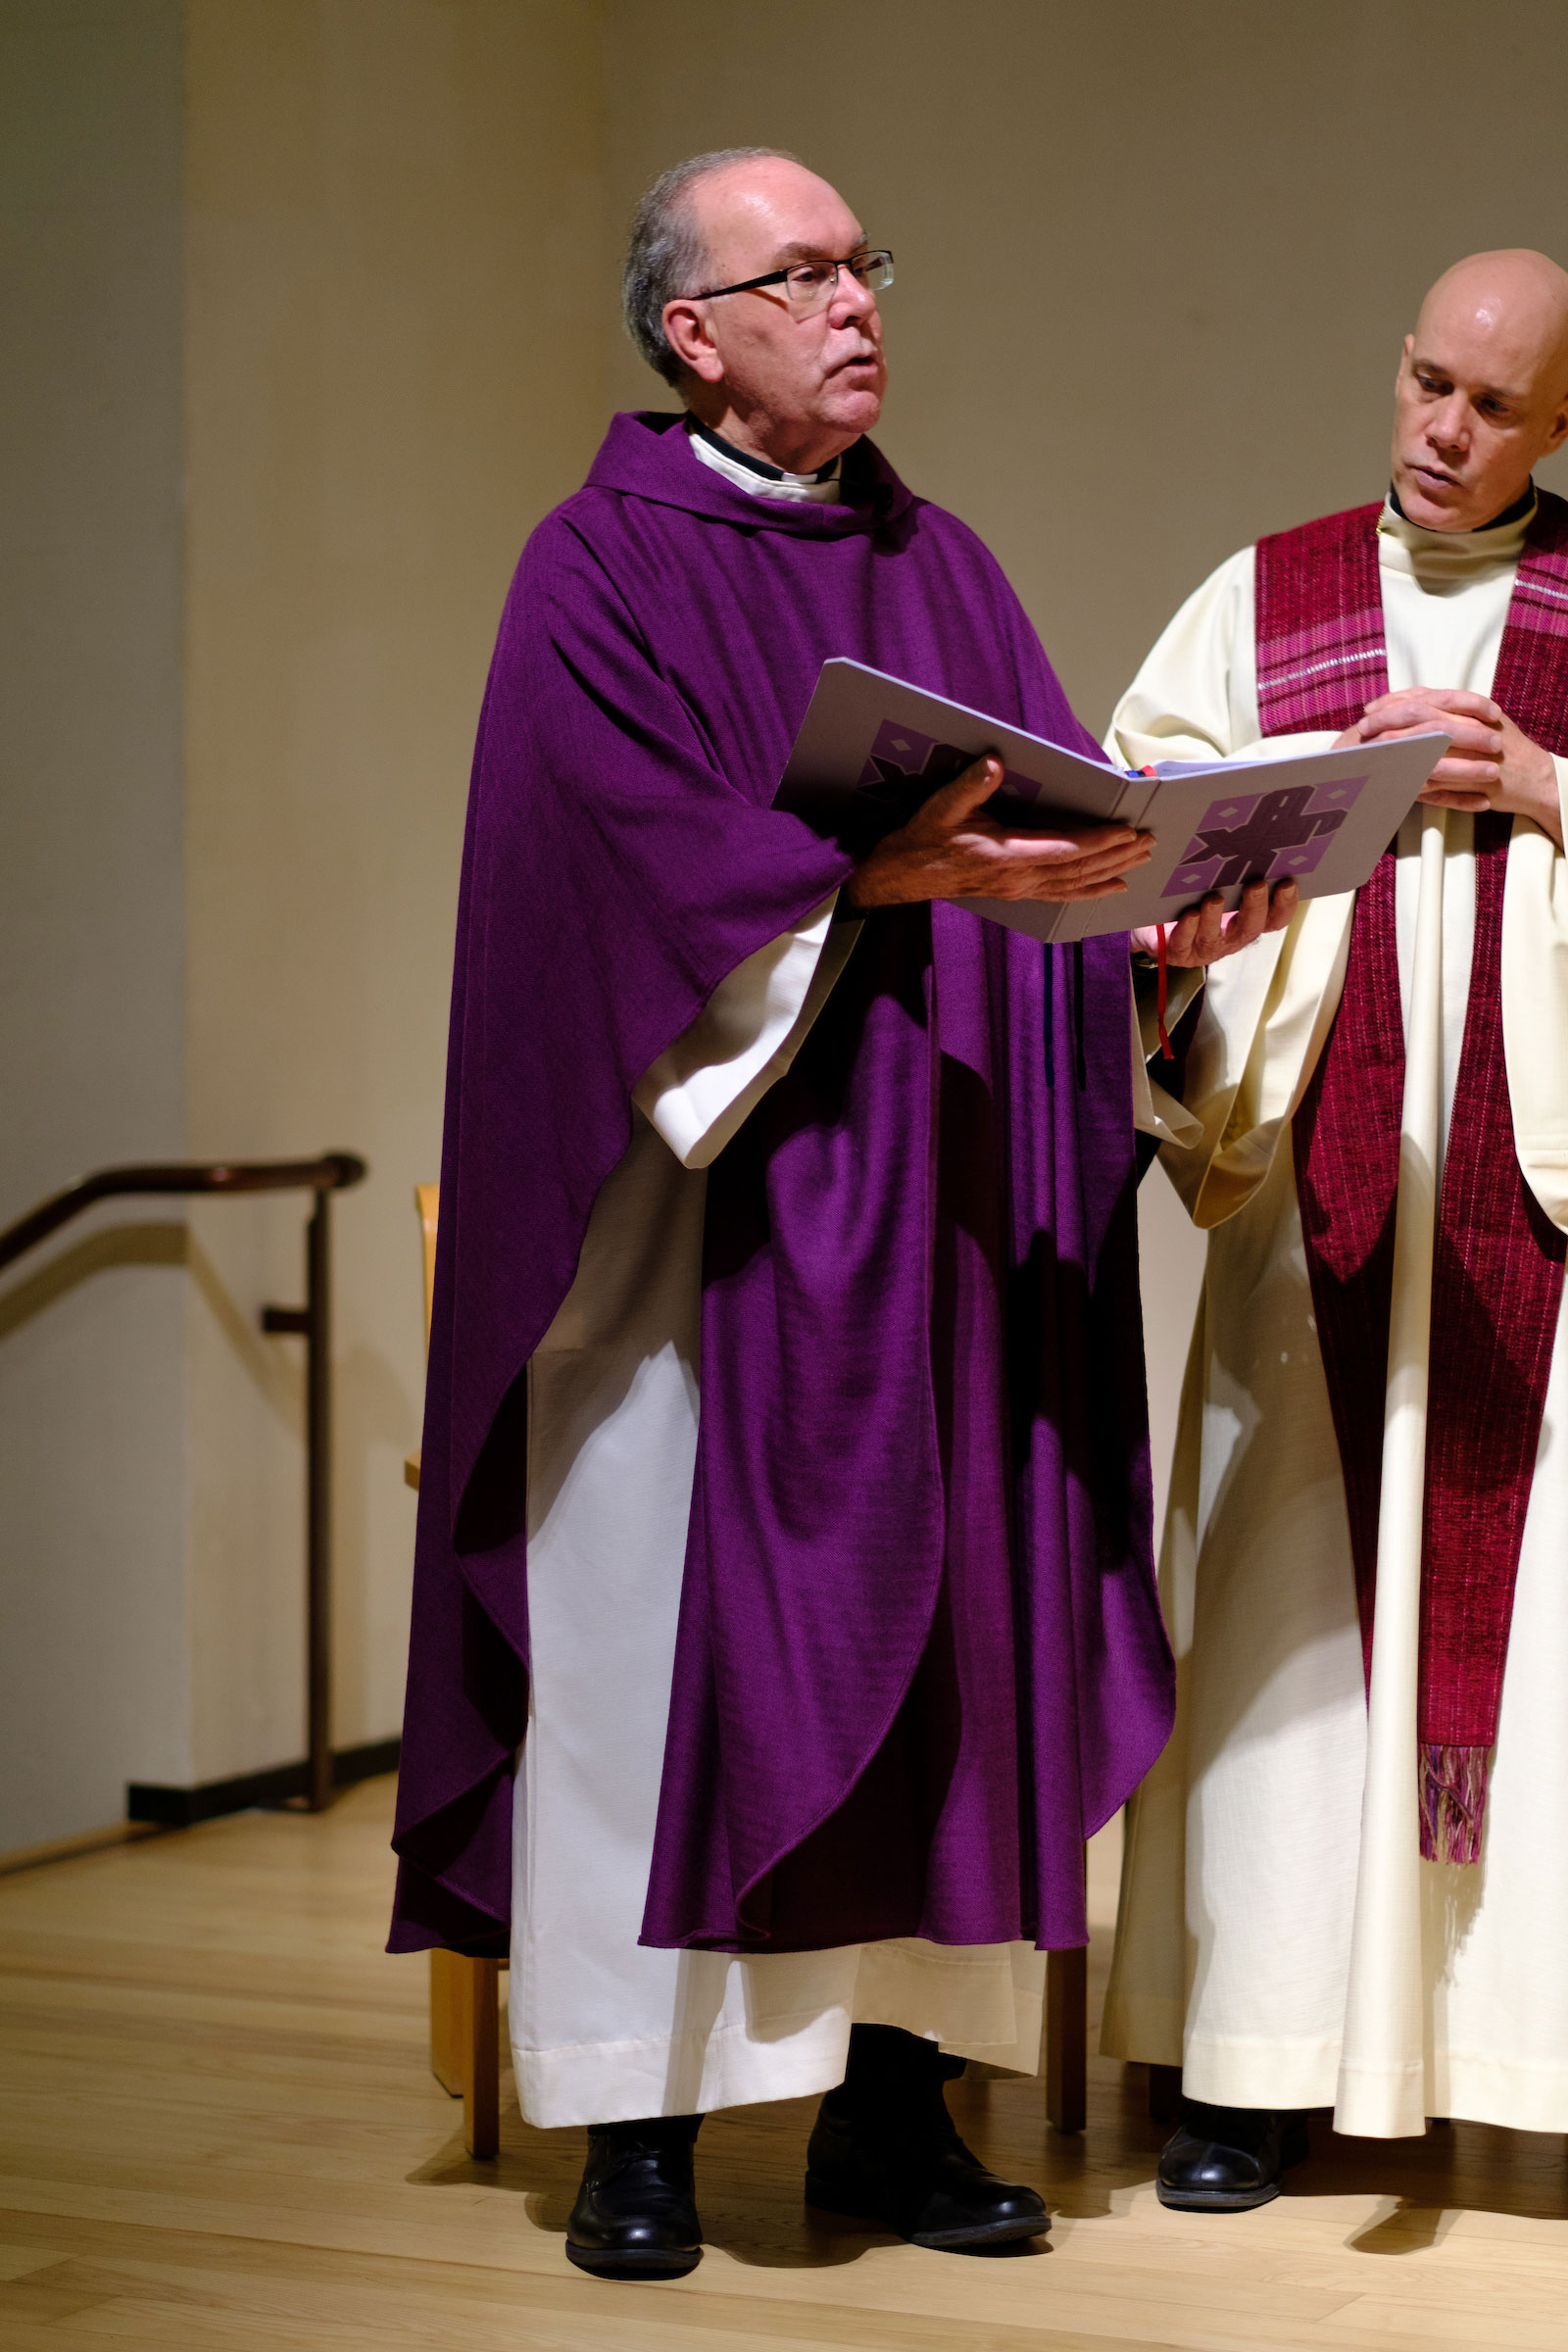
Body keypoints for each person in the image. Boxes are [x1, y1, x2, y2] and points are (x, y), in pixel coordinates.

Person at [386, 144, 1200, 2282]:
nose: (857, 303)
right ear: (690, 330)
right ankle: (634, 2124)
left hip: (921, 1223)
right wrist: (858, 883)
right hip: (691, 1234)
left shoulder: (943, 565)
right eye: (804, 271)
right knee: (649, 1647)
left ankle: (886, 2113)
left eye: (866, 266)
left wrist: (1143, 941)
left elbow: (1033, 865)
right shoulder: (596, 570)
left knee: (937, 1643)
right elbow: (598, 888)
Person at [1101, 249, 1568, 2211]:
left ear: (1556, 426)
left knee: (1529, 1652)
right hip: (1309, 1213)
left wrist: (1540, 782)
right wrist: (1181, 918)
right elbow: (1130, 833)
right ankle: (1252, 2062)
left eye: (1490, 406)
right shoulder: (1262, 597)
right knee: (1286, 1631)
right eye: (1420, 384)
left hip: (1524, 1227)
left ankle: (1511, 2055)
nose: (1439, 434)